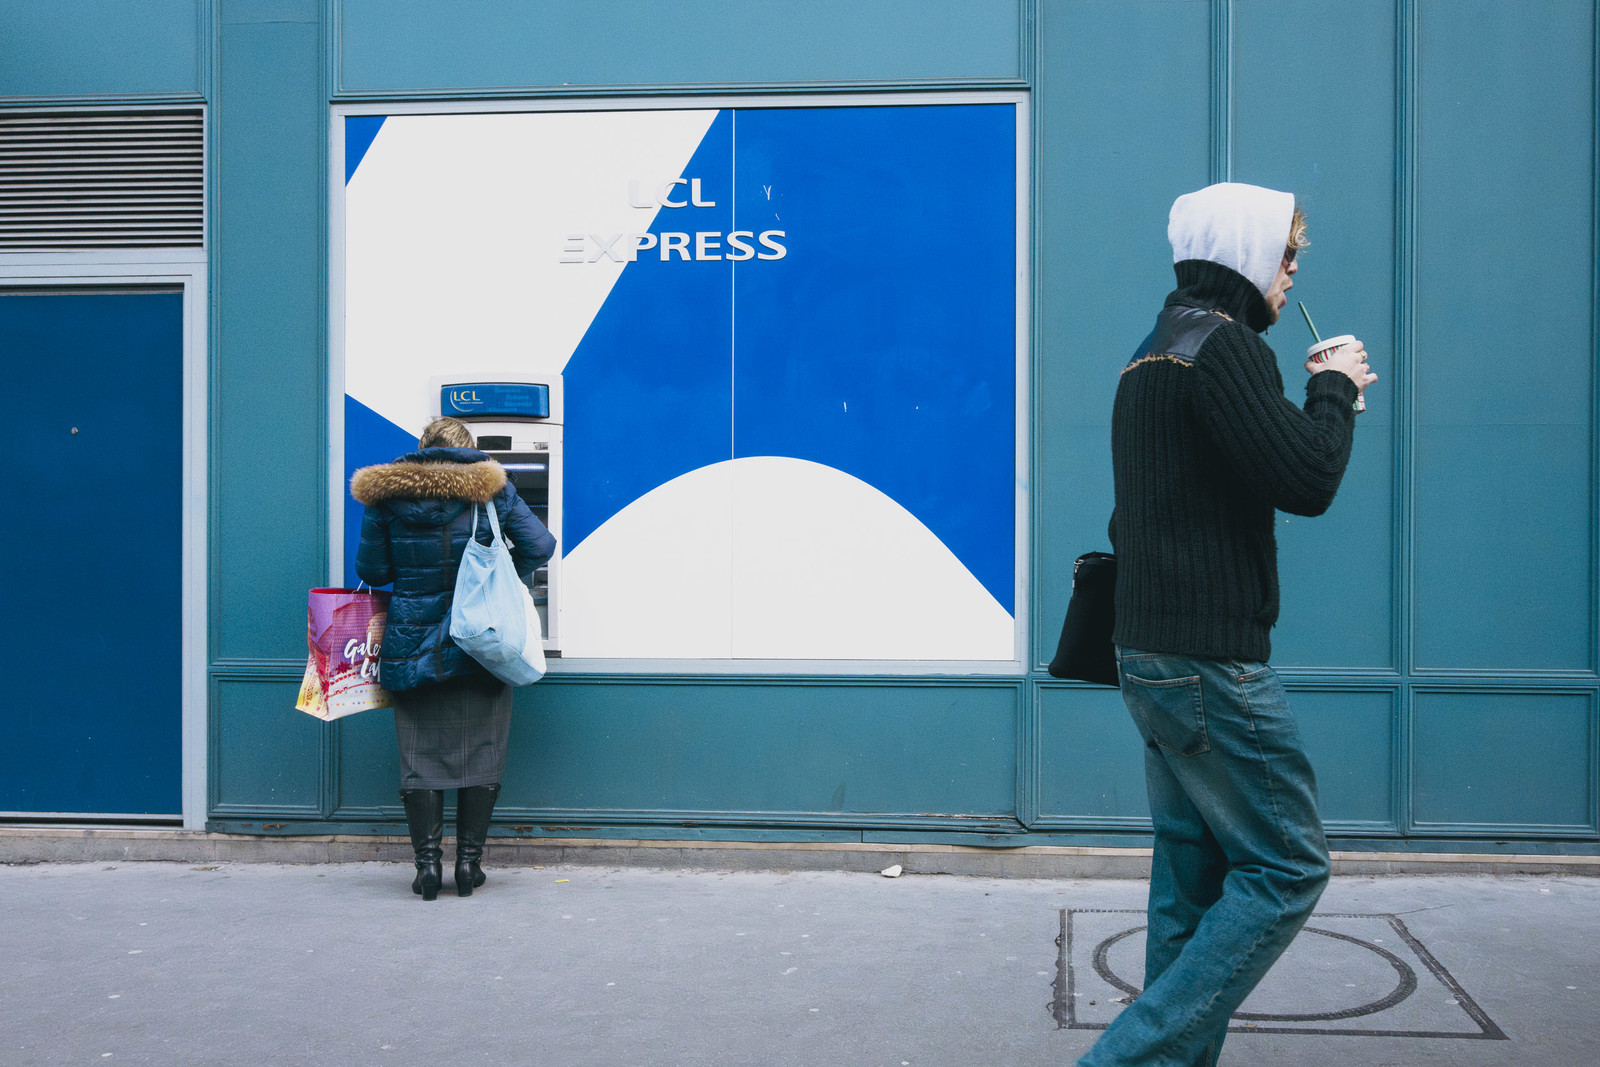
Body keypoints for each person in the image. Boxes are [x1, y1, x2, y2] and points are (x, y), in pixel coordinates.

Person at [1081, 182, 1377, 1066]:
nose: (1292, 272)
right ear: (1245, 253)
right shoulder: (1227, 348)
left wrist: (1316, 403)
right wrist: (1333, 388)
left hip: (1149, 655)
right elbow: (1309, 479)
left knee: (1192, 870)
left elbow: (1142, 513)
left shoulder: (1151, 351)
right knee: (1288, 865)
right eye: (1285, 254)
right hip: (1212, 662)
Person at [350, 416, 556, 901]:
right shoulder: (491, 489)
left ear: (423, 447)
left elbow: (373, 571)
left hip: (412, 647)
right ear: (469, 448)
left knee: (418, 760)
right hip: (479, 647)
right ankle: (468, 865)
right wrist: (501, 574)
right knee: (482, 754)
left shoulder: (385, 495)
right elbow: (540, 546)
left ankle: (426, 869)